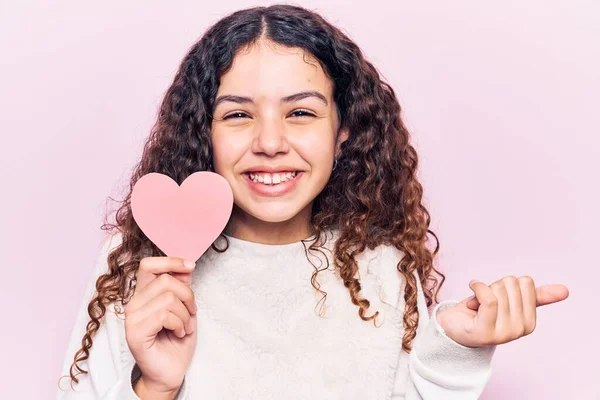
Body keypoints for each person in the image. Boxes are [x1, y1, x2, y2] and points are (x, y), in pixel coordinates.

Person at [56, 4, 569, 400]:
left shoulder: (381, 267)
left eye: (300, 112)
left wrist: (453, 349)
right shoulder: (137, 266)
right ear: (203, 132)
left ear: (343, 130)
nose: (271, 142)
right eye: (237, 115)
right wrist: (154, 387)